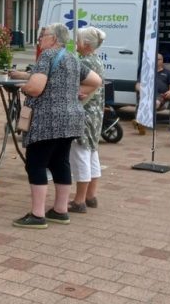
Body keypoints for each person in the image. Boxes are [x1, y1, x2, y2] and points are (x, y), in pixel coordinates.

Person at [8, 23, 101, 229]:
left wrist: (21, 87)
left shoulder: (48, 56)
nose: (40, 39)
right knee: (60, 162)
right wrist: (72, 91)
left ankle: (37, 214)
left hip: (48, 119)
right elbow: (96, 81)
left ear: (54, 38)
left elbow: (35, 88)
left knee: (36, 163)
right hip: (72, 118)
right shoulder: (72, 58)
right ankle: (60, 211)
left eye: (43, 35)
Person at [69, 26, 107, 213]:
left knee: (80, 153)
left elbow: (79, 91)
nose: (75, 43)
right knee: (92, 152)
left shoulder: (84, 63)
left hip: (84, 113)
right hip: (95, 113)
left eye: (77, 40)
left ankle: (79, 200)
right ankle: (91, 195)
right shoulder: (96, 61)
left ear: (85, 44)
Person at [134, 53, 170, 134]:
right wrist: (141, 90)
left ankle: (141, 122)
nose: (156, 61)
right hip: (147, 94)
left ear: (162, 61)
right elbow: (137, 84)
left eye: (158, 59)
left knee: (155, 102)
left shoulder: (168, 73)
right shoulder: (146, 71)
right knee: (148, 100)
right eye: (154, 59)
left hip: (161, 96)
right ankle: (142, 123)